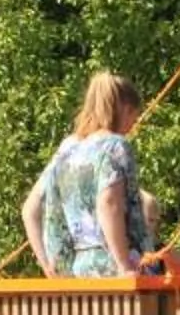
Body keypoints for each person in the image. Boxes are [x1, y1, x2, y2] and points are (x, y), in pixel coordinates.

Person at [20, 71, 154, 277]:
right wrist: (124, 265)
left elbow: (35, 211)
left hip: (80, 270)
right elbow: (109, 204)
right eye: (133, 120)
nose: (131, 129)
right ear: (125, 110)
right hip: (116, 267)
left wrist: (50, 266)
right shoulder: (115, 146)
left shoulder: (68, 151)